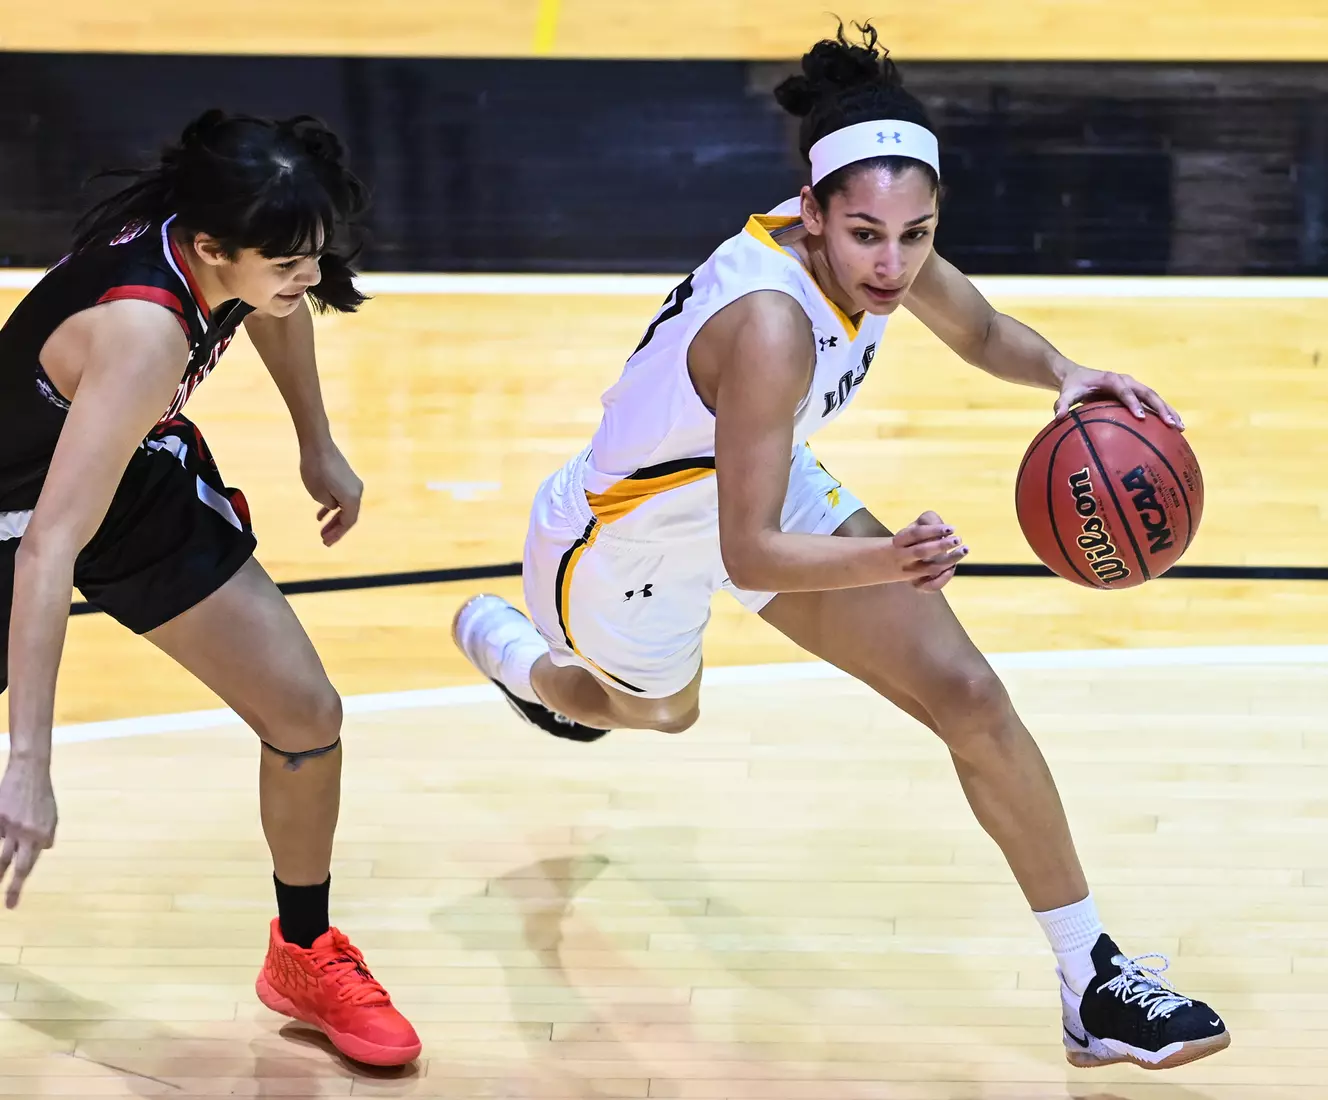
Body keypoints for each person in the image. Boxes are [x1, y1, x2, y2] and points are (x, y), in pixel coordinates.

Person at [453, 25, 1229, 1070]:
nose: (894, 263)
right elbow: (751, 548)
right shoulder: (770, 322)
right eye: (867, 234)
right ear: (809, 212)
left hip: (756, 478)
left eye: (917, 232)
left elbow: (986, 330)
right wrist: (890, 557)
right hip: (627, 542)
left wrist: (1069, 376)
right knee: (660, 712)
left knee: (970, 695)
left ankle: (1090, 976)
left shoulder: (882, 243)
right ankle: (515, 651)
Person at [0, 111, 421, 1067]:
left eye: (313, 259)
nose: (306, 280)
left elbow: (272, 306)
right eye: (289, 263)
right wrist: (28, 760)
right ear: (209, 249)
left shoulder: (232, 250)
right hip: (17, 519)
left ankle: (304, 953)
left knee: (306, 713)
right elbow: (45, 549)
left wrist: (317, 439)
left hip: (125, 474)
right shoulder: (143, 332)